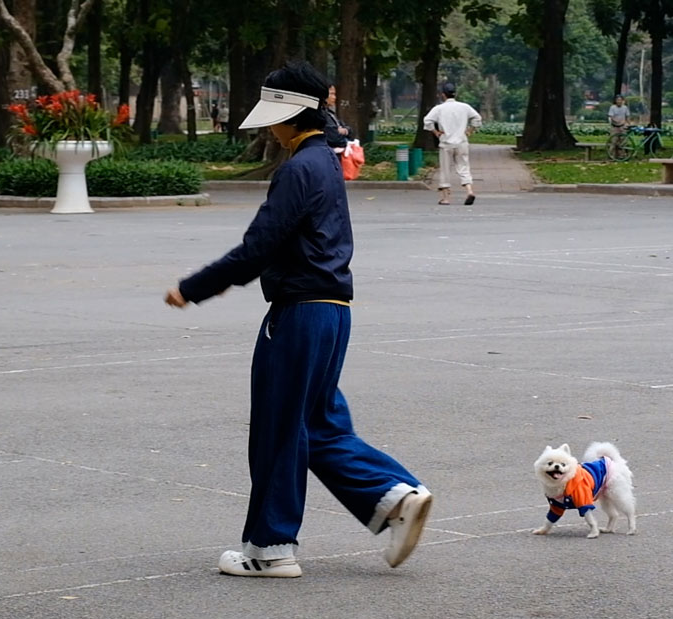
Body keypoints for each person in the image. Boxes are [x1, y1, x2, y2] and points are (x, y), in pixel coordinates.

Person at [164, 60, 433, 578]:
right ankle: (394, 495)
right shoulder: (324, 160)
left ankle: (270, 549)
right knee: (317, 422)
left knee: (279, 429)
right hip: (333, 311)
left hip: (299, 313)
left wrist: (193, 288)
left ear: (290, 117)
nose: (269, 129)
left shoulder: (298, 169)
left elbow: (258, 248)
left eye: (273, 119)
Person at [423, 82, 481, 205]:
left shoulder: (439, 108)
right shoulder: (465, 107)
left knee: (445, 170)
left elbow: (427, 120)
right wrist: (470, 130)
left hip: (446, 142)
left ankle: (446, 198)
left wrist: (436, 132)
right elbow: (477, 118)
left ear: (443, 95)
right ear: (455, 94)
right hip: (461, 141)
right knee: (464, 167)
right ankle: (469, 191)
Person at [323, 84, 351, 151]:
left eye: (334, 94)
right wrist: (346, 141)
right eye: (331, 94)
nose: (334, 97)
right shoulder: (322, 114)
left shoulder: (330, 113)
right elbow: (334, 138)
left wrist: (345, 131)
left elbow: (348, 128)